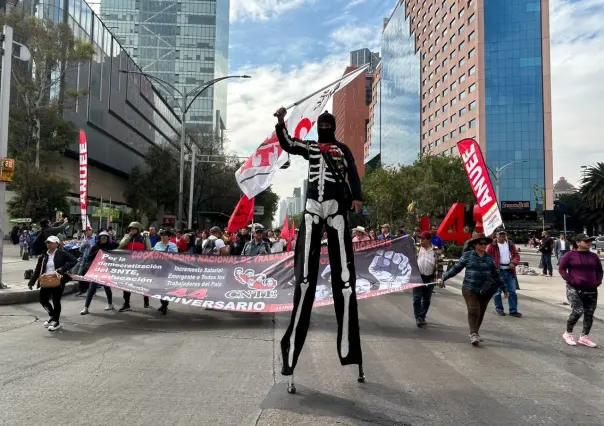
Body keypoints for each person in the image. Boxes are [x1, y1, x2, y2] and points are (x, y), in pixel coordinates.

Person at [275, 106, 365, 390]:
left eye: (328, 123)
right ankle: (292, 350)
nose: (324, 126)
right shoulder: (311, 147)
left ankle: (348, 346)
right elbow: (289, 144)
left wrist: (357, 198)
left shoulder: (342, 149)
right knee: (305, 277)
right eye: (322, 123)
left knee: (345, 277)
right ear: (318, 126)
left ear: (333, 126)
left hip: (337, 207)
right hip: (313, 207)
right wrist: (280, 123)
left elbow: (353, 171)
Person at [441, 233, 508, 346]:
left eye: (485, 243)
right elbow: (455, 269)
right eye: (481, 243)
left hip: (486, 290)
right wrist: (443, 278)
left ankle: (475, 332)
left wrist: (504, 289)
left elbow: (496, 275)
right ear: (474, 245)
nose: (483, 245)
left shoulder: (489, 258)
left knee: (481, 312)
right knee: (473, 310)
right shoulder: (467, 256)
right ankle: (473, 334)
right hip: (469, 288)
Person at [559, 234, 602, 347]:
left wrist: (597, 281)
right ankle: (568, 333)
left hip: (591, 288)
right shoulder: (569, 255)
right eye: (586, 241)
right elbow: (562, 269)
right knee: (578, 311)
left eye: (590, 241)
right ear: (578, 242)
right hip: (574, 288)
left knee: (589, 313)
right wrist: (570, 280)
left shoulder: (593, 256)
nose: (589, 243)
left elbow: (599, 270)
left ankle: (584, 337)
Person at [28, 236, 78, 331]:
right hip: (46, 281)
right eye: (47, 242)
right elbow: (38, 269)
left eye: (51, 242)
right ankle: (52, 315)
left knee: (56, 301)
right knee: (43, 300)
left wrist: (63, 269)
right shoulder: (43, 256)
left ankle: (56, 321)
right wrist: (31, 282)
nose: (48, 244)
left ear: (56, 243)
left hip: (57, 280)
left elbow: (74, 260)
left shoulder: (61, 253)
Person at [80, 231, 119, 315]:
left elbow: (119, 247)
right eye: (102, 237)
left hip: (106, 270)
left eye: (105, 237)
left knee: (107, 287)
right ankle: (86, 307)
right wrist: (97, 253)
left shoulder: (111, 246)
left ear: (108, 238)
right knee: (91, 287)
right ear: (99, 238)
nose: (103, 239)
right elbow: (89, 257)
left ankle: (110, 304)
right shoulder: (95, 247)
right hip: (96, 270)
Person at [486, 229, 522, 318]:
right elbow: (486, 258)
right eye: (500, 234)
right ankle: (499, 309)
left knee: (512, 292)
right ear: (496, 235)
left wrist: (513, 262)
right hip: (498, 272)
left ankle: (513, 310)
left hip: (509, 272)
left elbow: (516, 255)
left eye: (503, 234)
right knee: (497, 292)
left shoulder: (510, 244)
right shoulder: (491, 246)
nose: (502, 236)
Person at [118, 222, 152, 312]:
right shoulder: (126, 237)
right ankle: (126, 303)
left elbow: (149, 249)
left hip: (141, 265)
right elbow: (120, 246)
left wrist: (147, 237)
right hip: (128, 265)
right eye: (131, 229)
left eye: (134, 229)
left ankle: (146, 298)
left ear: (138, 229)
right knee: (126, 285)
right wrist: (128, 237)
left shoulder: (143, 238)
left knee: (143, 284)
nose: (132, 230)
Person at [414, 231, 444, 327]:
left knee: (426, 299)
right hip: (418, 277)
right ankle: (418, 317)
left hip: (430, 278)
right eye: (420, 239)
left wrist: (439, 278)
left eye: (423, 239)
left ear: (429, 240)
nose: (421, 241)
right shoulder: (416, 247)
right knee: (417, 298)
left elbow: (440, 267)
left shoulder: (436, 251)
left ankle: (422, 316)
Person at [153, 230, 178, 315]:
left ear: (169, 237)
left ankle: (165, 305)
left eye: (164, 235)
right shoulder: (157, 244)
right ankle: (163, 304)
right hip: (159, 268)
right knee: (159, 287)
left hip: (168, 269)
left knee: (165, 287)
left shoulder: (173, 245)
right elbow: (155, 254)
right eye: (161, 235)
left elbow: (175, 255)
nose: (162, 237)